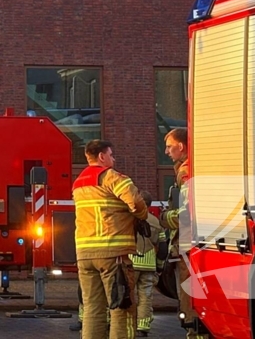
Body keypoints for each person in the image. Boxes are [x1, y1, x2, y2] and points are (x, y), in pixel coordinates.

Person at [72, 140, 149, 339]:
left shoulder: (78, 183)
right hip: (113, 254)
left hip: (84, 254)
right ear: (101, 157)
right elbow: (136, 202)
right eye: (111, 155)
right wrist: (141, 216)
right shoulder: (112, 177)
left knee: (92, 309)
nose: (113, 159)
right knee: (121, 307)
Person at [161, 128, 207, 339]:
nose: (166, 151)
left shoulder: (186, 171)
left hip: (189, 243)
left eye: (170, 147)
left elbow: (187, 212)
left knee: (189, 296)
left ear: (181, 147)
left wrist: (165, 218)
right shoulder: (191, 167)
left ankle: (194, 332)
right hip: (196, 242)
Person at [130, 190, 164, 337]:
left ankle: (127, 325)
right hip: (149, 264)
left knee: (128, 295)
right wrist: (160, 265)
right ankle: (142, 327)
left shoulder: (128, 219)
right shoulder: (156, 221)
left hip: (130, 262)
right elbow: (162, 247)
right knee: (145, 296)